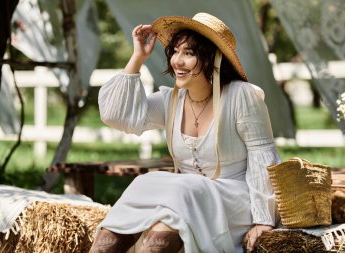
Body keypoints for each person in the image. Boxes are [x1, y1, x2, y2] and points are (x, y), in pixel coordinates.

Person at [90, 12, 281, 253]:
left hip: (234, 200)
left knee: (180, 189)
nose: (177, 61)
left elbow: (262, 156)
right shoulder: (171, 100)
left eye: (189, 53)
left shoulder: (241, 95)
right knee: (153, 192)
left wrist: (263, 220)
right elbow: (117, 115)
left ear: (212, 58)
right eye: (175, 52)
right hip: (182, 202)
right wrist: (137, 58)